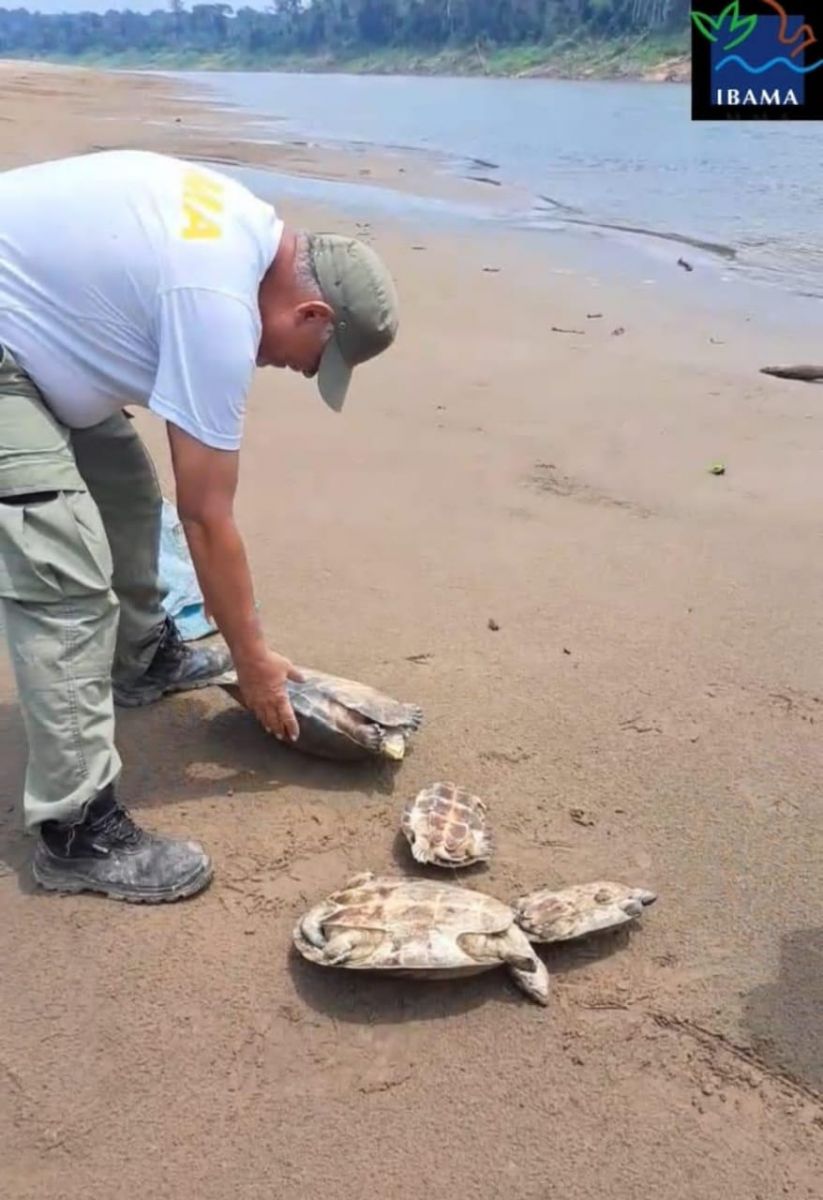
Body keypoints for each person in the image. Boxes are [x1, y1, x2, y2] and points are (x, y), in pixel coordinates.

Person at [0, 148, 399, 903]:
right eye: (317, 359)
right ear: (310, 313)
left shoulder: (239, 227)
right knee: (61, 574)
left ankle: (141, 656)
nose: (302, 372)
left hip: (24, 333)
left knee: (120, 488)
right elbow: (207, 515)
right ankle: (76, 832)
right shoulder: (217, 301)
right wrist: (252, 660)